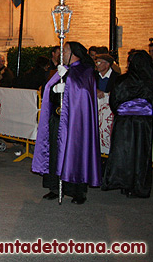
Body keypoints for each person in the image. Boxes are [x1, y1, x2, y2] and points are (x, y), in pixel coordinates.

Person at [32, 42, 100, 205]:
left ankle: (77, 191)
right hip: (57, 119)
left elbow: (83, 93)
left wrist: (68, 86)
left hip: (75, 123)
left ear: (74, 53)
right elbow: (49, 89)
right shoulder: (62, 70)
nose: (61, 53)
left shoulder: (85, 71)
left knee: (75, 153)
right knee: (55, 152)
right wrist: (55, 90)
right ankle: (55, 187)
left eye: (65, 50)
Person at [102, 50, 153, 198]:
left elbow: (114, 100)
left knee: (124, 152)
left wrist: (123, 111)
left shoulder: (122, 80)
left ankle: (123, 182)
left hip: (124, 122)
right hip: (143, 123)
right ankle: (138, 186)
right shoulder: (150, 81)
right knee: (141, 154)